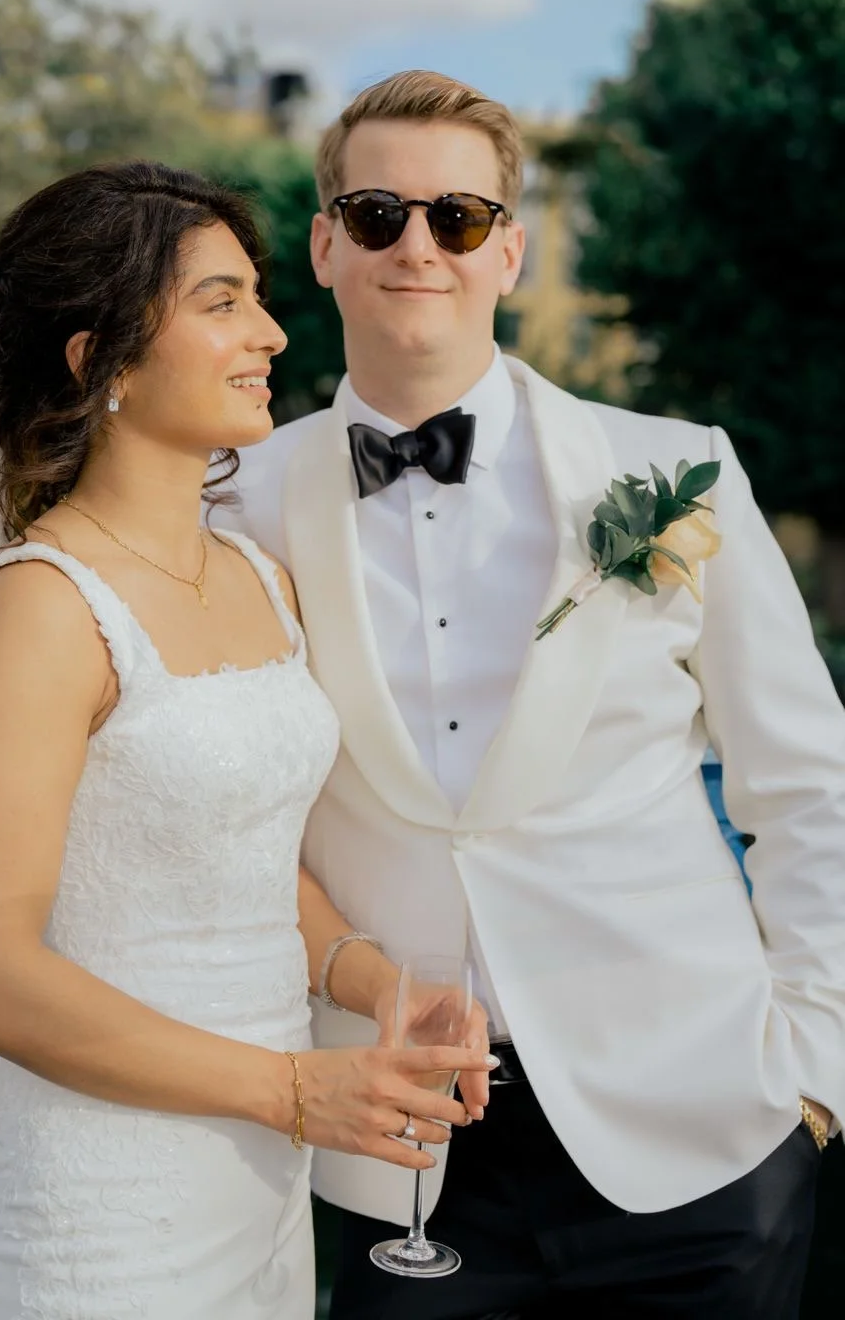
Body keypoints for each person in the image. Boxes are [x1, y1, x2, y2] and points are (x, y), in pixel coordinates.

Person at [0, 160, 492, 1320]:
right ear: (94, 358)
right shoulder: (39, 609)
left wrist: (374, 981)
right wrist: (293, 1089)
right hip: (92, 1213)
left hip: (256, 1192)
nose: (267, 328)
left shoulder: (256, 576)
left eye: (255, 295)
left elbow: (243, 854)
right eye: (220, 302)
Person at [231, 70, 845, 1319]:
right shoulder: (231, 495)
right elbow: (36, 642)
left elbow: (806, 781)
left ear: (508, 249)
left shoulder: (674, 471)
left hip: (704, 1132)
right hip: (400, 1158)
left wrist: (815, 1077)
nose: (417, 246)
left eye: (455, 218)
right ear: (322, 245)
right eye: (374, 214)